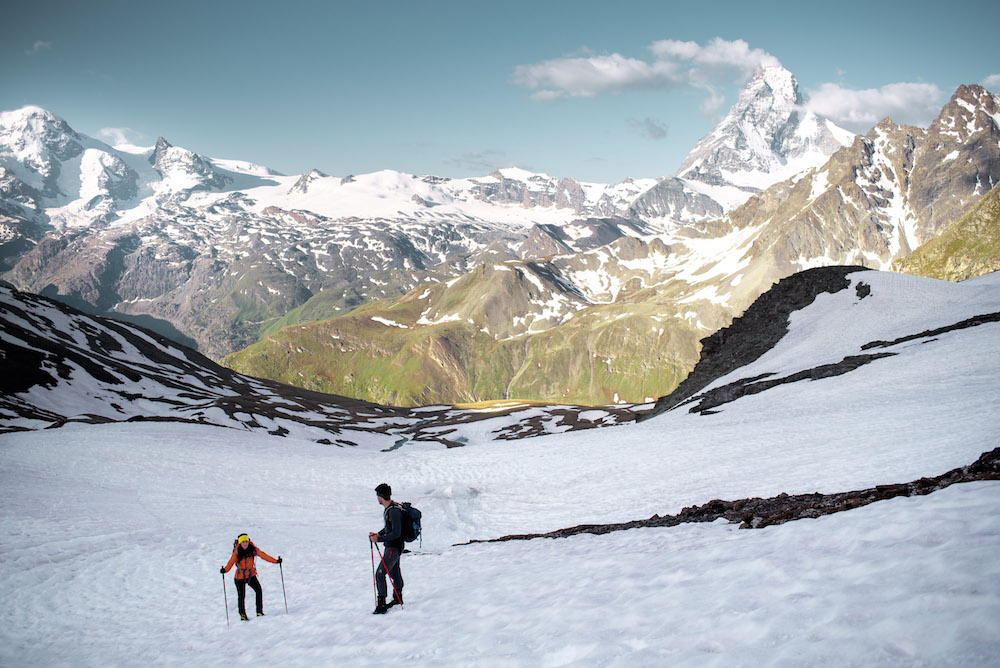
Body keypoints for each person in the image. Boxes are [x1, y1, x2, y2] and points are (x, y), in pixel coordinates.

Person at [221, 533, 281, 621]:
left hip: (251, 575)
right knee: (241, 595)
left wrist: (276, 561)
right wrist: (225, 570)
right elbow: (231, 562)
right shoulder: (237, 552)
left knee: (258, 590)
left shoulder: (253, 549)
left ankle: (259, 612)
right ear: (240, 543)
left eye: (246, 541)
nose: (245, 543)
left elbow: (264, 555)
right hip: (239, 577)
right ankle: (243, 614)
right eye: (243, 542)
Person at [369, 483, 404, 614]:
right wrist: (379, 534)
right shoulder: (391, 508)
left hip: (393, 547)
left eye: (377, 495)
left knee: (380, 574)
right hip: (393, 546)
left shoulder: (393, 511)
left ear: (381, 496)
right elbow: (389, 528)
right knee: (395, 572)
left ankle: (382, 605)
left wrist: (378, 539)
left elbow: (396, 533)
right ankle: (398, 598)